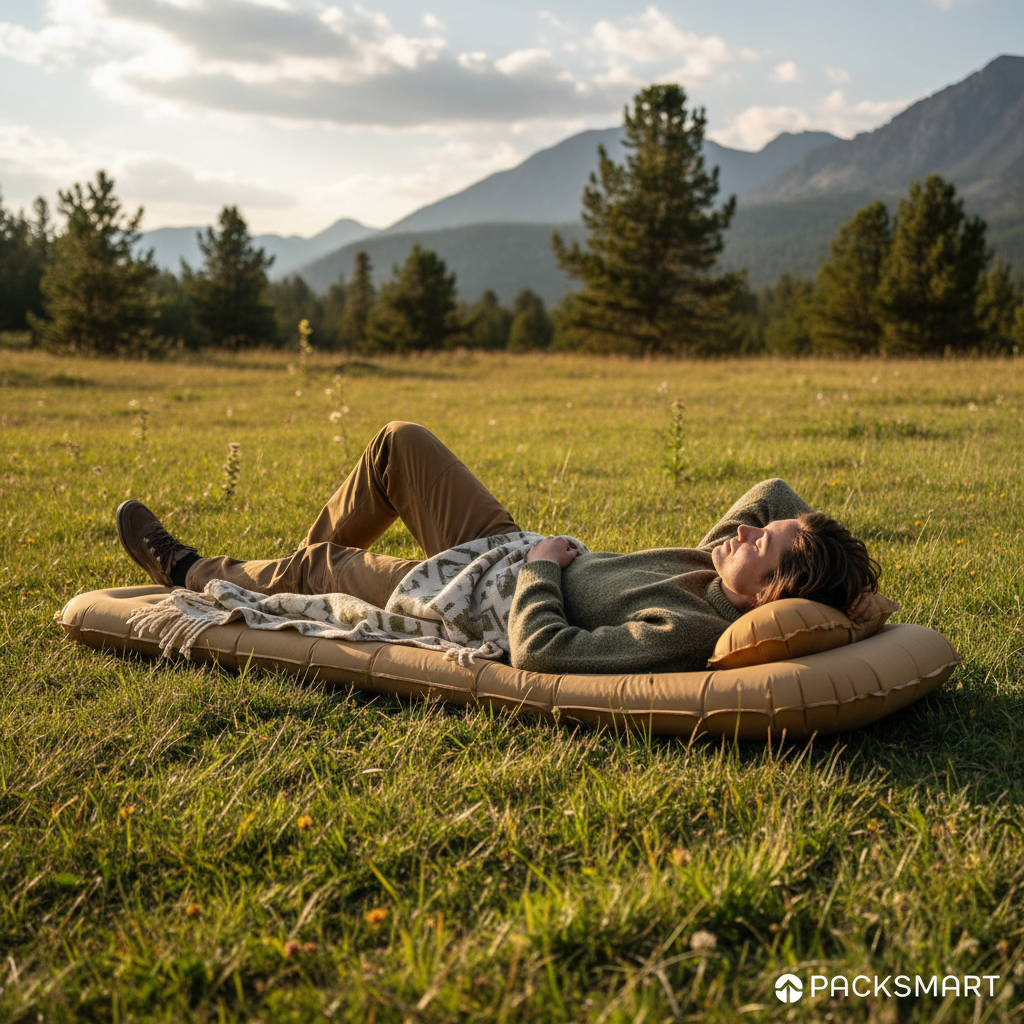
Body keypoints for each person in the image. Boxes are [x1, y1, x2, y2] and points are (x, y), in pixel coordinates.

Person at [116, 421, 880, 675]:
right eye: (756, 530)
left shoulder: (690, 627)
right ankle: (277, 584)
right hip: (499, 548)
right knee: (398, 445)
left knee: (322, 567)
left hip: (476, 598)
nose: (744, 529)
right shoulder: (722, 568)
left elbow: (545, 649)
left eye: (762, 545)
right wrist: (845, 584)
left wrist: (544, 566)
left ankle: (187, 569)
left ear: (768, 597)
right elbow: (774, 491)